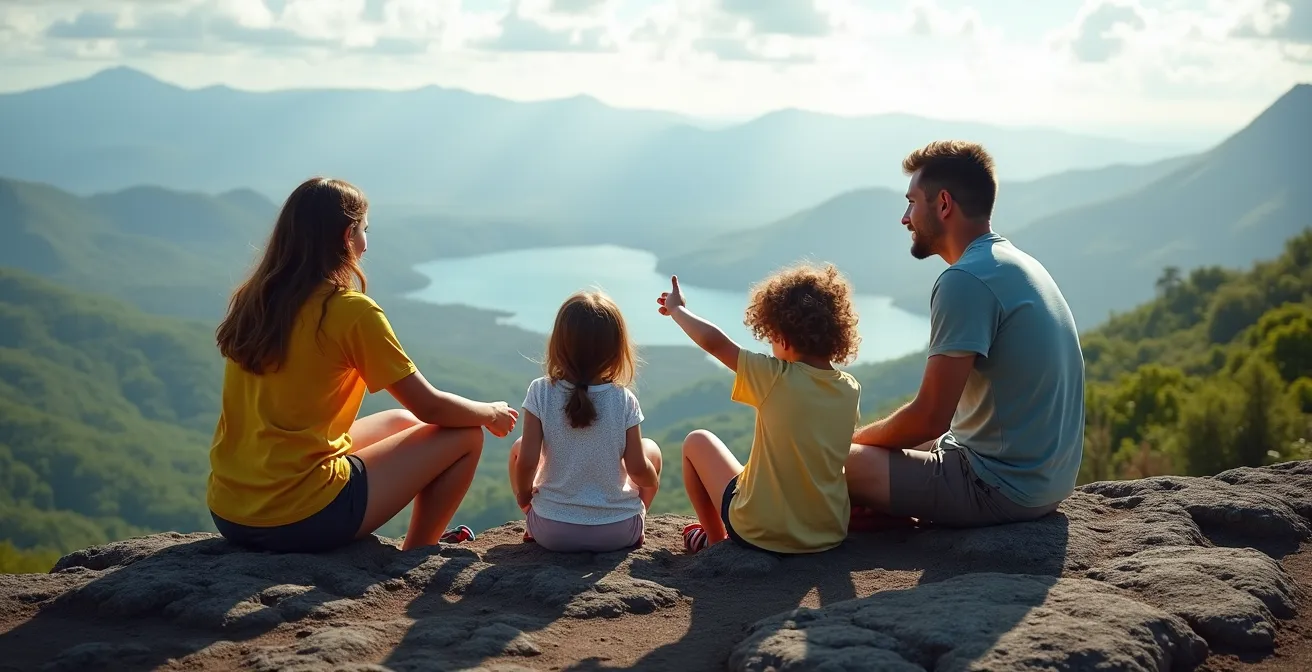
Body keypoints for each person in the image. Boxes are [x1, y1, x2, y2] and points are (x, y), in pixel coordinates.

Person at [207, 177, 519, 553]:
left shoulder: (257, 299)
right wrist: (490, 413)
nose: (366, 243)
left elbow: (417, 415)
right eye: (364, 230)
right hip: (301, 518)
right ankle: (418, 550)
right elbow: (429, 404)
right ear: (346, 236)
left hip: (230, 511)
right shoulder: (349, 311)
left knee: (401, 423)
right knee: (465, 435)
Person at [846, 140, 1085, 529]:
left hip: (998, 488)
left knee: (820, 463)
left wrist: (847, 444)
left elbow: (928, 419)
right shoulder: (1015, 262)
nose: (905, 218)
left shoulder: (965, 280)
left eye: (911, 202)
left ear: (943, 204)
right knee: (865, 452)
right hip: (1044, 483)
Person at [659, 264, 863, 555]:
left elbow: (714, 343)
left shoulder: (775, 377)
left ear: (784, 338)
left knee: (696, 441)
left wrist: (677, 310)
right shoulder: (850, 388)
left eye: (770, 336)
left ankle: (715, 542)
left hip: (759, 531)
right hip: (826, 533)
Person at [509, 290, 662, 553]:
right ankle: (640, 522)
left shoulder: (541, 391)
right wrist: (654, 482)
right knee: (651, 451)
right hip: (618, 533)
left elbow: (526, 462)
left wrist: (525, 500)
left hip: (550, 532)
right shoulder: (623, 400)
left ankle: (530, 526)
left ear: (559, 343)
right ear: (616, 350)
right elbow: (637, 468)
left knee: (519, 447)